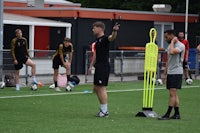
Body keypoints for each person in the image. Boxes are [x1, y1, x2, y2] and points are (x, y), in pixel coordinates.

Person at [88, 21, 120, 117]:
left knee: (101, 88)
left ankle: (105, 112)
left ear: (100, 28)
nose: (92, 30)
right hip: (98, 66)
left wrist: (114, 31)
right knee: (97, 88)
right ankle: (102, 110)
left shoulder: (105, 38)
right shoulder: (97, 42)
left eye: (94, 28)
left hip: (103, 66)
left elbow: (112, 37)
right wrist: (91, 66)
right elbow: (95, 55)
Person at [159, 30, 185, 120]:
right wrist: (164, 73)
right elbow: (168, 61)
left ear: (172, 36)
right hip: (171, 72)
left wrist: (173, 42)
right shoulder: (171, 45)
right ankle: (177, 114)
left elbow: (172, 52)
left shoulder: (181, 45)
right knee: (174, 94)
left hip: (177, 72)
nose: (165, 39)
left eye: (166, 37)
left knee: (172, 94)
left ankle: (167, 114)